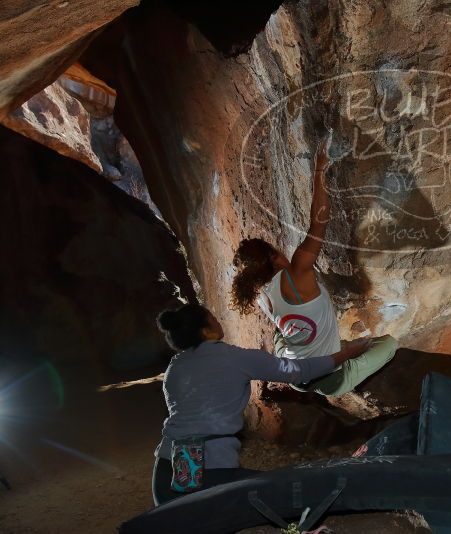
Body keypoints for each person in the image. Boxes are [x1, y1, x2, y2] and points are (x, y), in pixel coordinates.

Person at [151, 303, 372, 505]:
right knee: (293, 492)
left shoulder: (174, 368)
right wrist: (347, 353)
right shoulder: (234, 358)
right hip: (207, 472)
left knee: (189, 517)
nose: (218, 320)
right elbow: (299, 372)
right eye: (213, 317)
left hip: (165, 477)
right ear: (206, 331)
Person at [230, 136, 398, 396]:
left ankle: (312, 352)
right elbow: (318, 223)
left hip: (293, 373)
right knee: (389, 344)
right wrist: (320, 168)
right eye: (276, 249)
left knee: (282, 334)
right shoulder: (297, 272)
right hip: (330, 377)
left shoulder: (261, 292)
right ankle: (338, 368)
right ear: (273, 257)